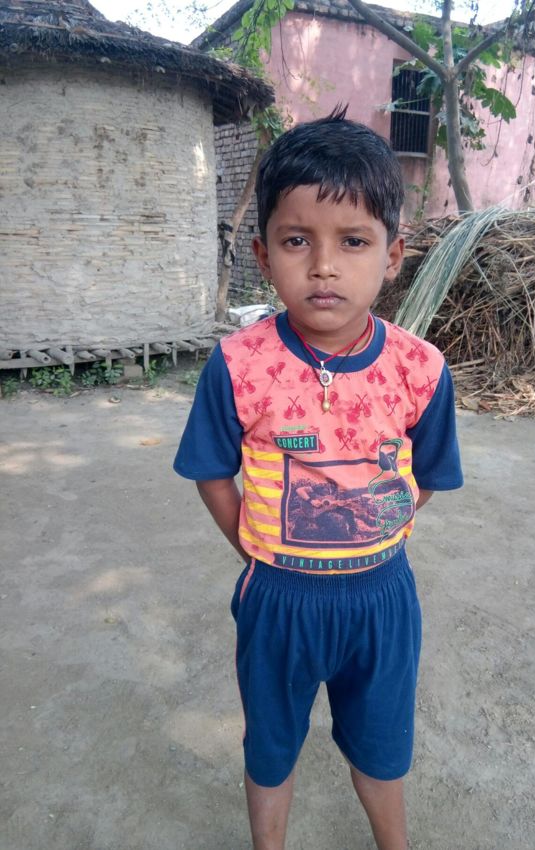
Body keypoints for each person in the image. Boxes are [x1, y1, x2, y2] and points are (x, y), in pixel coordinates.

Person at [174, 107, 463, 850]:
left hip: (383, 598)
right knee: (271, 745)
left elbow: (426, 476)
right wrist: (254, 545)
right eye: (297, 240)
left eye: (353, 241)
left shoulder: (422, 370)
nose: (324, 266)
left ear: (393, 255)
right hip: (277, 600)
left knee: (382, 744)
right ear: (264, 255)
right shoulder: (238, 365)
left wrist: (375, 525)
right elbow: (211, 470)